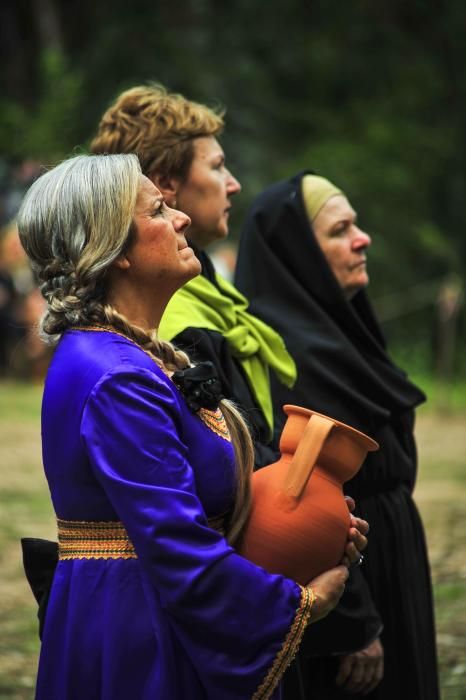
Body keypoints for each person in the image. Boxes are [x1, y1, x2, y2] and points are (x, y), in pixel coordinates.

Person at [17, 155, 371, 699]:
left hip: (149, 615)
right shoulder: (116, 377)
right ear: (114, 251)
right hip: (141, 639)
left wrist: (309, 525)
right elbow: (177, 544)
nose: (181, 220)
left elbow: (195, 507)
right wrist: (302, 604)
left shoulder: (139, 356)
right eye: (158, 210)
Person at [235, 172, 439, 700]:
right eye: (339, 229)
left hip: (392, 557)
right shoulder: (291, 356)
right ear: (296, 253)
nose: (362, 238)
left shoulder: (348, 338)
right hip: (348, 582)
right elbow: (301, 502)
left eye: (357, 224)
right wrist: (353, 624)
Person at [90, 84, 296, 469]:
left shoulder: (207, 292)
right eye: (217, 166)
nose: (233, 184)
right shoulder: (170, 315)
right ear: (166, 183)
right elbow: (228, 465)